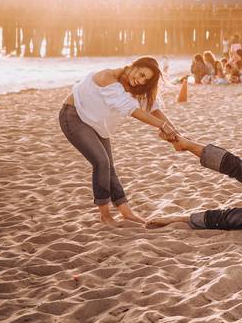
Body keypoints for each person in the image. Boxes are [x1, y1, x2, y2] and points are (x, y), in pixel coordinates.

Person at [58, 56, 181, 226]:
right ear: (133, 65)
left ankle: (126, 212)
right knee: (101, 162)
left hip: (97, 123)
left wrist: (173, 132)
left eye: (145, 79)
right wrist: (162, 126)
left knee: (109, 167)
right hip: (73, 116)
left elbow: (153, 108)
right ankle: (105, 215)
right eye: (141, 73)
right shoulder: (107, 77)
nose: (140, 80)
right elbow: (130, 109)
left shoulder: (133, 86)